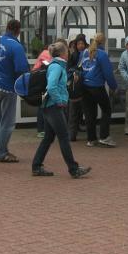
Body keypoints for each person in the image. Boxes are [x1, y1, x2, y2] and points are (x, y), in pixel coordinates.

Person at [31, 41, 91, 178]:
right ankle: (73, 169)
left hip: (49, 106)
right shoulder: (57, 67)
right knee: (63, 137)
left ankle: (36, 166)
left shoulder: (56, 65)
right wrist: (60, 101)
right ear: (64, 53)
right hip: (54, 107)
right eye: (67, 51)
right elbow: (52, 87)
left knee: (48, 138)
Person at [0, 20, 29, 163]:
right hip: (8, 87)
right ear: (18, 31)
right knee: (7, 123)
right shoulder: (16, 46)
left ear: (6, 28)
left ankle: (0, 150)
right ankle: (1, 153)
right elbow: (21, 68)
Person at [80, 33, 118, 147]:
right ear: (103, 42)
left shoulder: (84, 53)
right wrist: (114, 86)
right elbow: (108, 74)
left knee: (89, 113)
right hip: (97, 86)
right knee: (106, 110)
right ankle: (104, 136)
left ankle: (91, 139)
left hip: (84, 86)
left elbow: (80, 68)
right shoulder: (102, 54)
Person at [66, 34, 87, 141]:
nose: (81, 46)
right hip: (75, 87)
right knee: (73, 111)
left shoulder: (87, 54)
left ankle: (83, 130)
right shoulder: (74, 55)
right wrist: (76, 72)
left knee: (84, 110)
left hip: (85, 86)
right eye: (79, 44)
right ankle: (72, 134)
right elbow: (69, 68)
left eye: (82, 43)